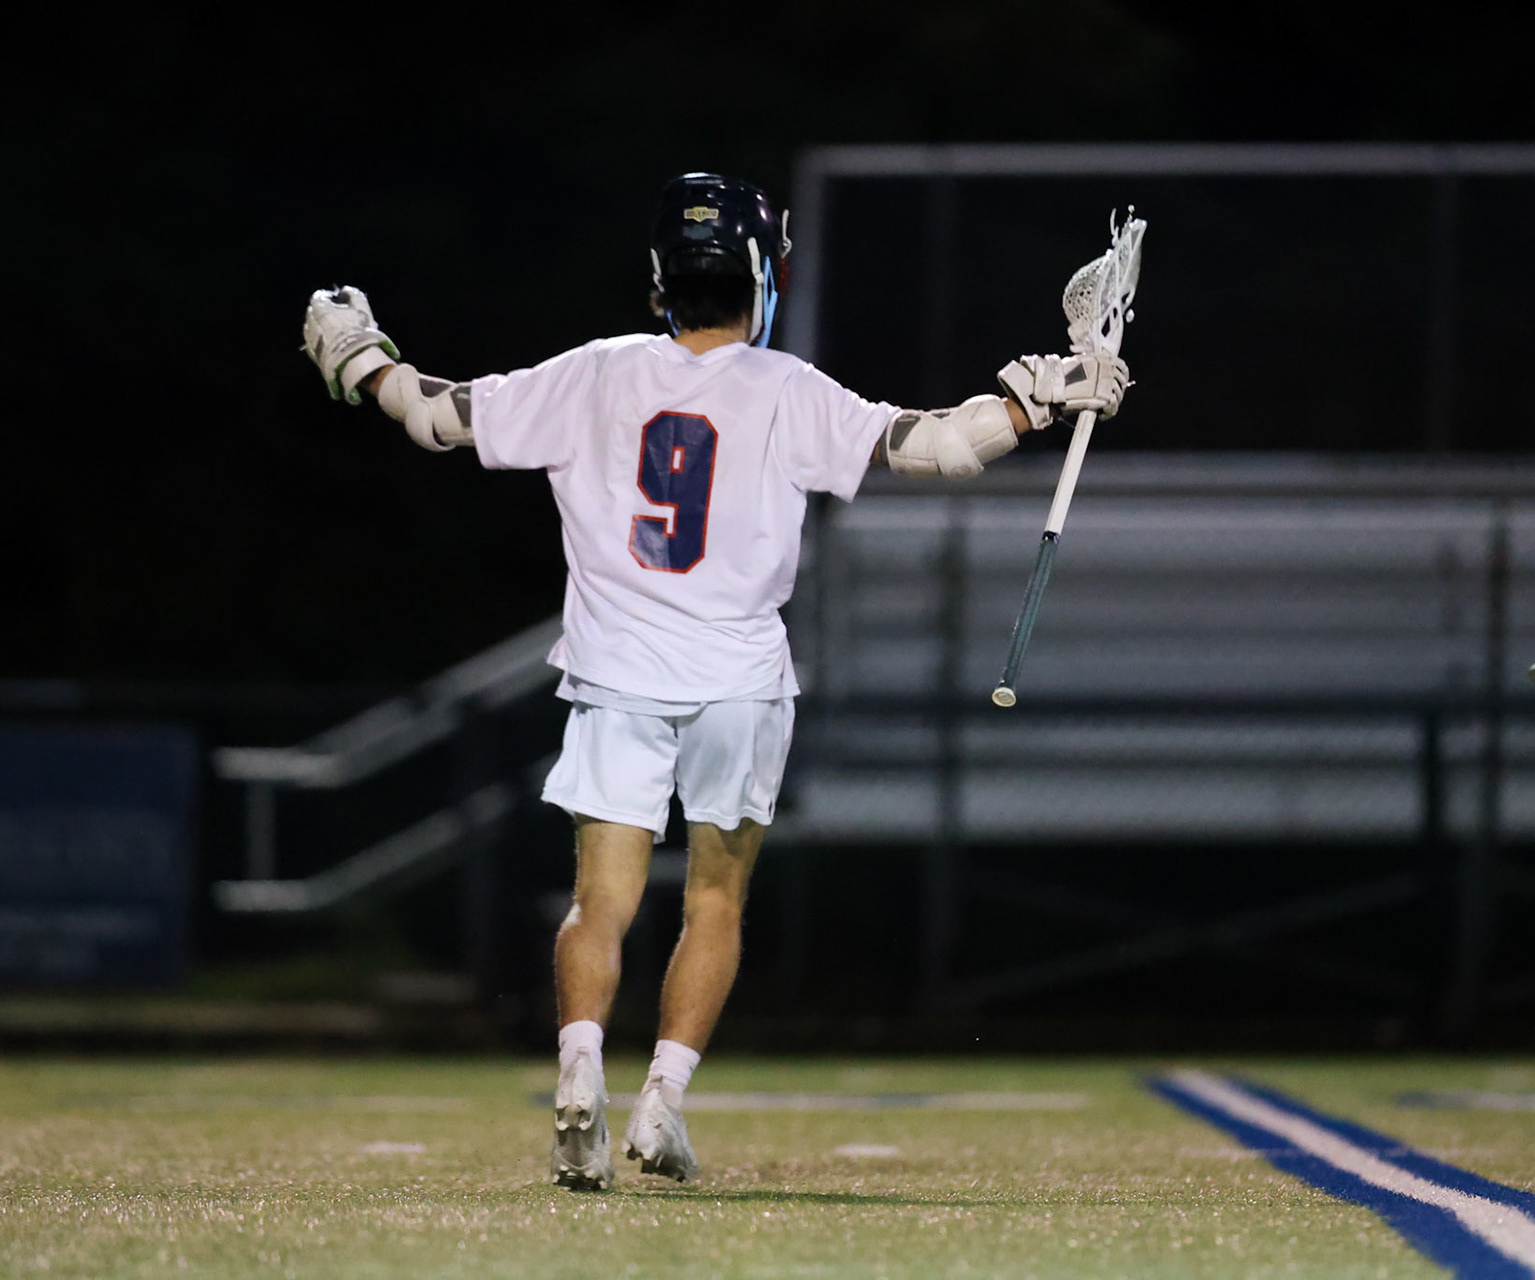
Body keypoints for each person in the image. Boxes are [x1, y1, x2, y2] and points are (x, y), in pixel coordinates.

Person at [300, 172, 1128, 1191]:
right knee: (716, 902)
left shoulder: (596, 373)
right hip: (740, 676)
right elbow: (942, 446)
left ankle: (576, 1074)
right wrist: (1035, 399)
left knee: (597, 899)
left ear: (662, 279)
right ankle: (662, 1098)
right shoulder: (784, 387)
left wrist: (357, 357)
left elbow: (433, 417)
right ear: (757, 275)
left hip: (614, 672)